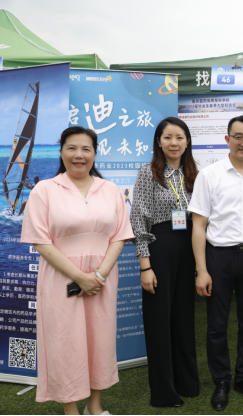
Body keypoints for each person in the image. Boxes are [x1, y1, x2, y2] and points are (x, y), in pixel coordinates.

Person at [20, 126, 134, 416]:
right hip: (61, 278)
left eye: (86, 149)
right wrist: (80, 277)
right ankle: (70, 410)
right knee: (65, 343)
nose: (78, 155)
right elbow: (40, 241)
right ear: (61, 152)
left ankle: (94, 407)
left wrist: (99, 275)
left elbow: (119, 236)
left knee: (100, 341)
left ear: (95, 153)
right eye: (71, 148)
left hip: (102, 278)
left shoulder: (110, 190)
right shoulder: (45, 190)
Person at [189, 115, 243, 412]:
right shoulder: (209, 175)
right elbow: (198, 225)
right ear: (227, 139)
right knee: (217, 324)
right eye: (238, 136)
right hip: (219, 257)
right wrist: (202, 270)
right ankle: (221, 381)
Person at [130, 117, 200, 407]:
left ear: (187, 142)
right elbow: (138, 219)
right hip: (160, 247)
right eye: (168, 137)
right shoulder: (148, 172)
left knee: (184, 316)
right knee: (159, 319)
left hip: (190, 246)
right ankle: (163, 392)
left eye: (179, 137)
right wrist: (145, 266)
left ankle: (187, 381)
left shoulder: (195, 174)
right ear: (158, 142)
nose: (174, 143)